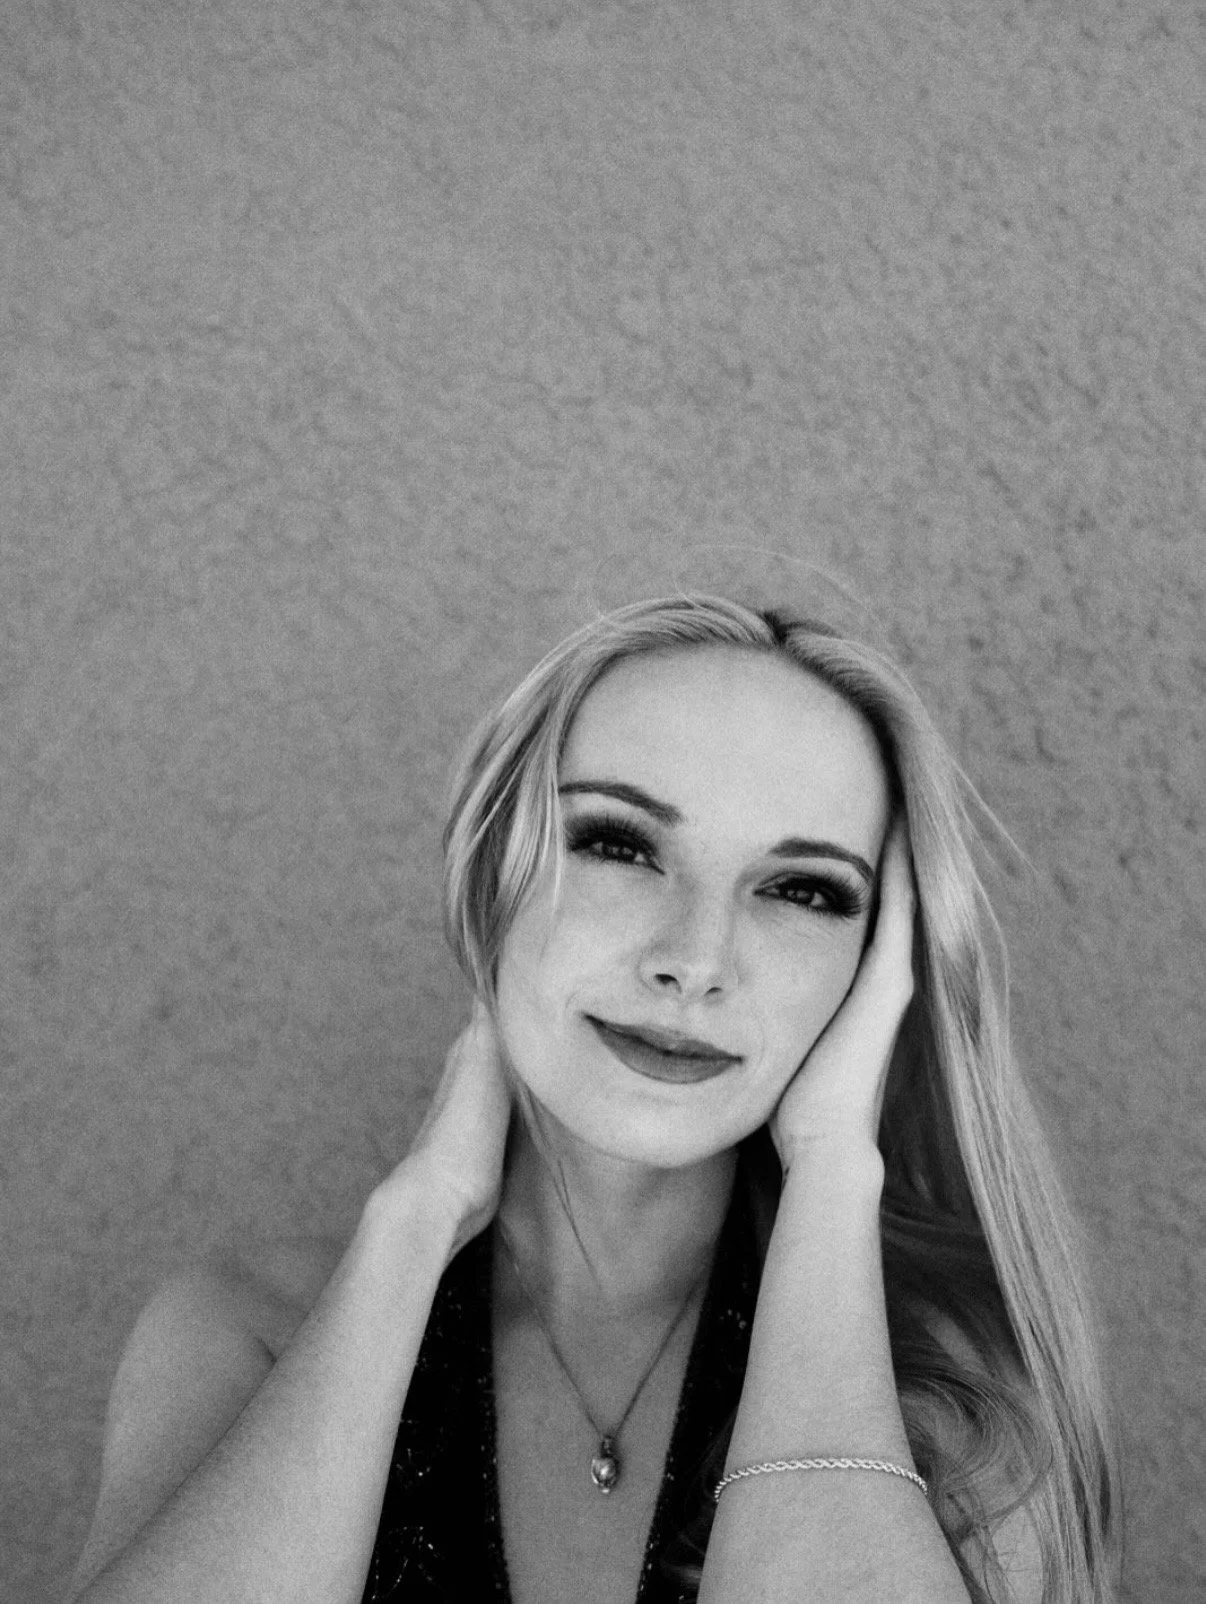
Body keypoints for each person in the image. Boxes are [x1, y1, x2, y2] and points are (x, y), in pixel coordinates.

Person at [68, 594, 1120, 1604]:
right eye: (621, 843)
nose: (696, 960)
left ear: (876, 962)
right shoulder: (242, 1332)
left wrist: (838, 1160)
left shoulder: (954, 1382)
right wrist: (416, 1214)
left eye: (804, 890)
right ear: (493, 875)